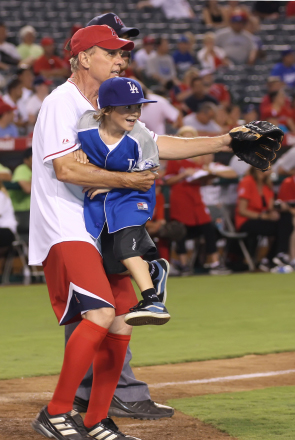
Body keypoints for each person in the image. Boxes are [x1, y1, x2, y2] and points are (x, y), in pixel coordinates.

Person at [29, 24, 233, 440]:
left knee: (122, 320)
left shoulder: (107, 106)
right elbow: (65, 168)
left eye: (124, 54)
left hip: (99, 227)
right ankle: (56, 411)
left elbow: (157, 143)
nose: (121, 60)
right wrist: (129, 182)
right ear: (85, 58)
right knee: (102, 313)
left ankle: (96, 419)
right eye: (112, 52)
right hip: (66, 224)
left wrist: (226, 141)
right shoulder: (61, 103)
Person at [77, 76, 170, 326]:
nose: (135, 113)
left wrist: (108, 182)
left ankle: (152, 300)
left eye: (137, 106)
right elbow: (71, 148)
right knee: (112, 264)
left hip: (133, 197)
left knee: (124, 249)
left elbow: (148, 177)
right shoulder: (86, 124)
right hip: (102, 201)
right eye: (127, 107)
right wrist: (78, 151)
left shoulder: (141, 138)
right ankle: (153, 270)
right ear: (106, 109)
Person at [236, 167, 294, 272]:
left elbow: (270, 207)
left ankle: (276, 257)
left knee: (285, 219)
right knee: (281, 227)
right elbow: (242, 210)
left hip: (263, 219)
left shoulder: (267, 184)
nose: (270, 169)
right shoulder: (247, 181)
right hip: (247, 220)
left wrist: (280, 208)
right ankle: (274, 257)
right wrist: (264, 216)